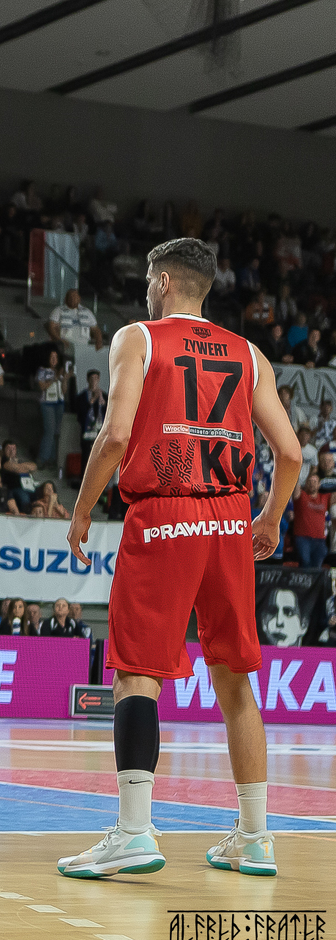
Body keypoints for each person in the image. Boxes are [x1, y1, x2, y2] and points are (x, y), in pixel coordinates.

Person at [61, 237, 300, 879]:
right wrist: (270, 517)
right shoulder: (249, 353)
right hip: (229, 518)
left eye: (148, 280)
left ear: (164, 281)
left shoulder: (137, 337)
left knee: (137, 672)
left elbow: (116, 435)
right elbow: (292, 454)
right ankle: (255, 837)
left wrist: (82, 509)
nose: (146, 290)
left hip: (164, 512)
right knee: (234, 678)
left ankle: (134, 832)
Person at [290, 473, 332, 568]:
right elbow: (295, 487)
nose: (312, 484)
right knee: (305, 563)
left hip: (320, 540)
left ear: (319, 484)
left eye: (315, 482)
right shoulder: (301, 495)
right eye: (310, 481)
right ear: (306, 483)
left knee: (317, 567)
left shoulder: (325, 497)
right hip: (303, 539)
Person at [36, 349, 67, 466]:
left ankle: (52, 459)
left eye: (56, 357)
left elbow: (64, 391)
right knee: (49, 430)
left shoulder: (61, 372)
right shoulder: (42, 370)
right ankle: (42, 458)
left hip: (59, 403)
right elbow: (42, 386)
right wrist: (55, 377)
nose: (54, 360)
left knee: (56, 432)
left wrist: (65, 378)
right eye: (51, 357)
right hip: (47, 403)